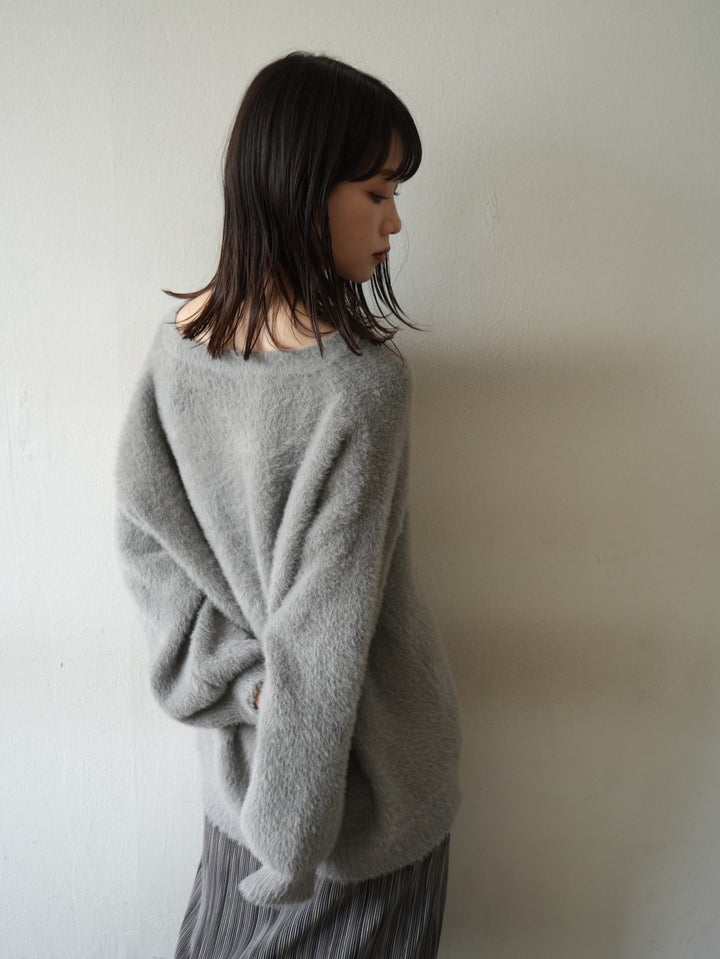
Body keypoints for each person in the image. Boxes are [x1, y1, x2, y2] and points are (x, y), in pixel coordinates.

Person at [115, 51, 462, 959]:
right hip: (328, 802)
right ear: (302, 188)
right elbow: (314, 628)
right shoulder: (357, 385)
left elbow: (156, 555)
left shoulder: (180, 342)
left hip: (285, 791)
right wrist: (289, 842)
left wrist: (247, 694)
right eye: (377, 191)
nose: (394, 221)